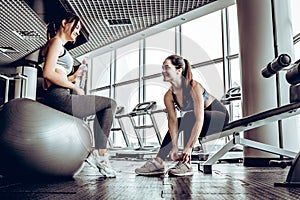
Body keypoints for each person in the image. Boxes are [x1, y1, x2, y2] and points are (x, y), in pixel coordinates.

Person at [40, 12, 117, 178]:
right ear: (64, 23)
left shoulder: (56, 45)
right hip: (59, 96)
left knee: (106, 105)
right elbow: (47, 74)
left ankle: (97, 154)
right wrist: (74, 87)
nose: (78, 31)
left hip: (57, 93)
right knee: (110, 104)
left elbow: (55, 74)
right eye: (77, 27)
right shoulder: (55, 42)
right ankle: (101, 154)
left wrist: (72, 78)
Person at [135, 55, 229, 176]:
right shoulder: (168, 96)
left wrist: (189, 147)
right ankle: (158, 162)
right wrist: (174, 147)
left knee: (188, 118)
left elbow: (199, 119)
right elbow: (173, 122)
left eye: (167, 67)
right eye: (162, 68)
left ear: (178, 70)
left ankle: (186, 163)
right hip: (198, 120)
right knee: (180, 121)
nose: (163, 71)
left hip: (219, 117)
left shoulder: (194, 87)